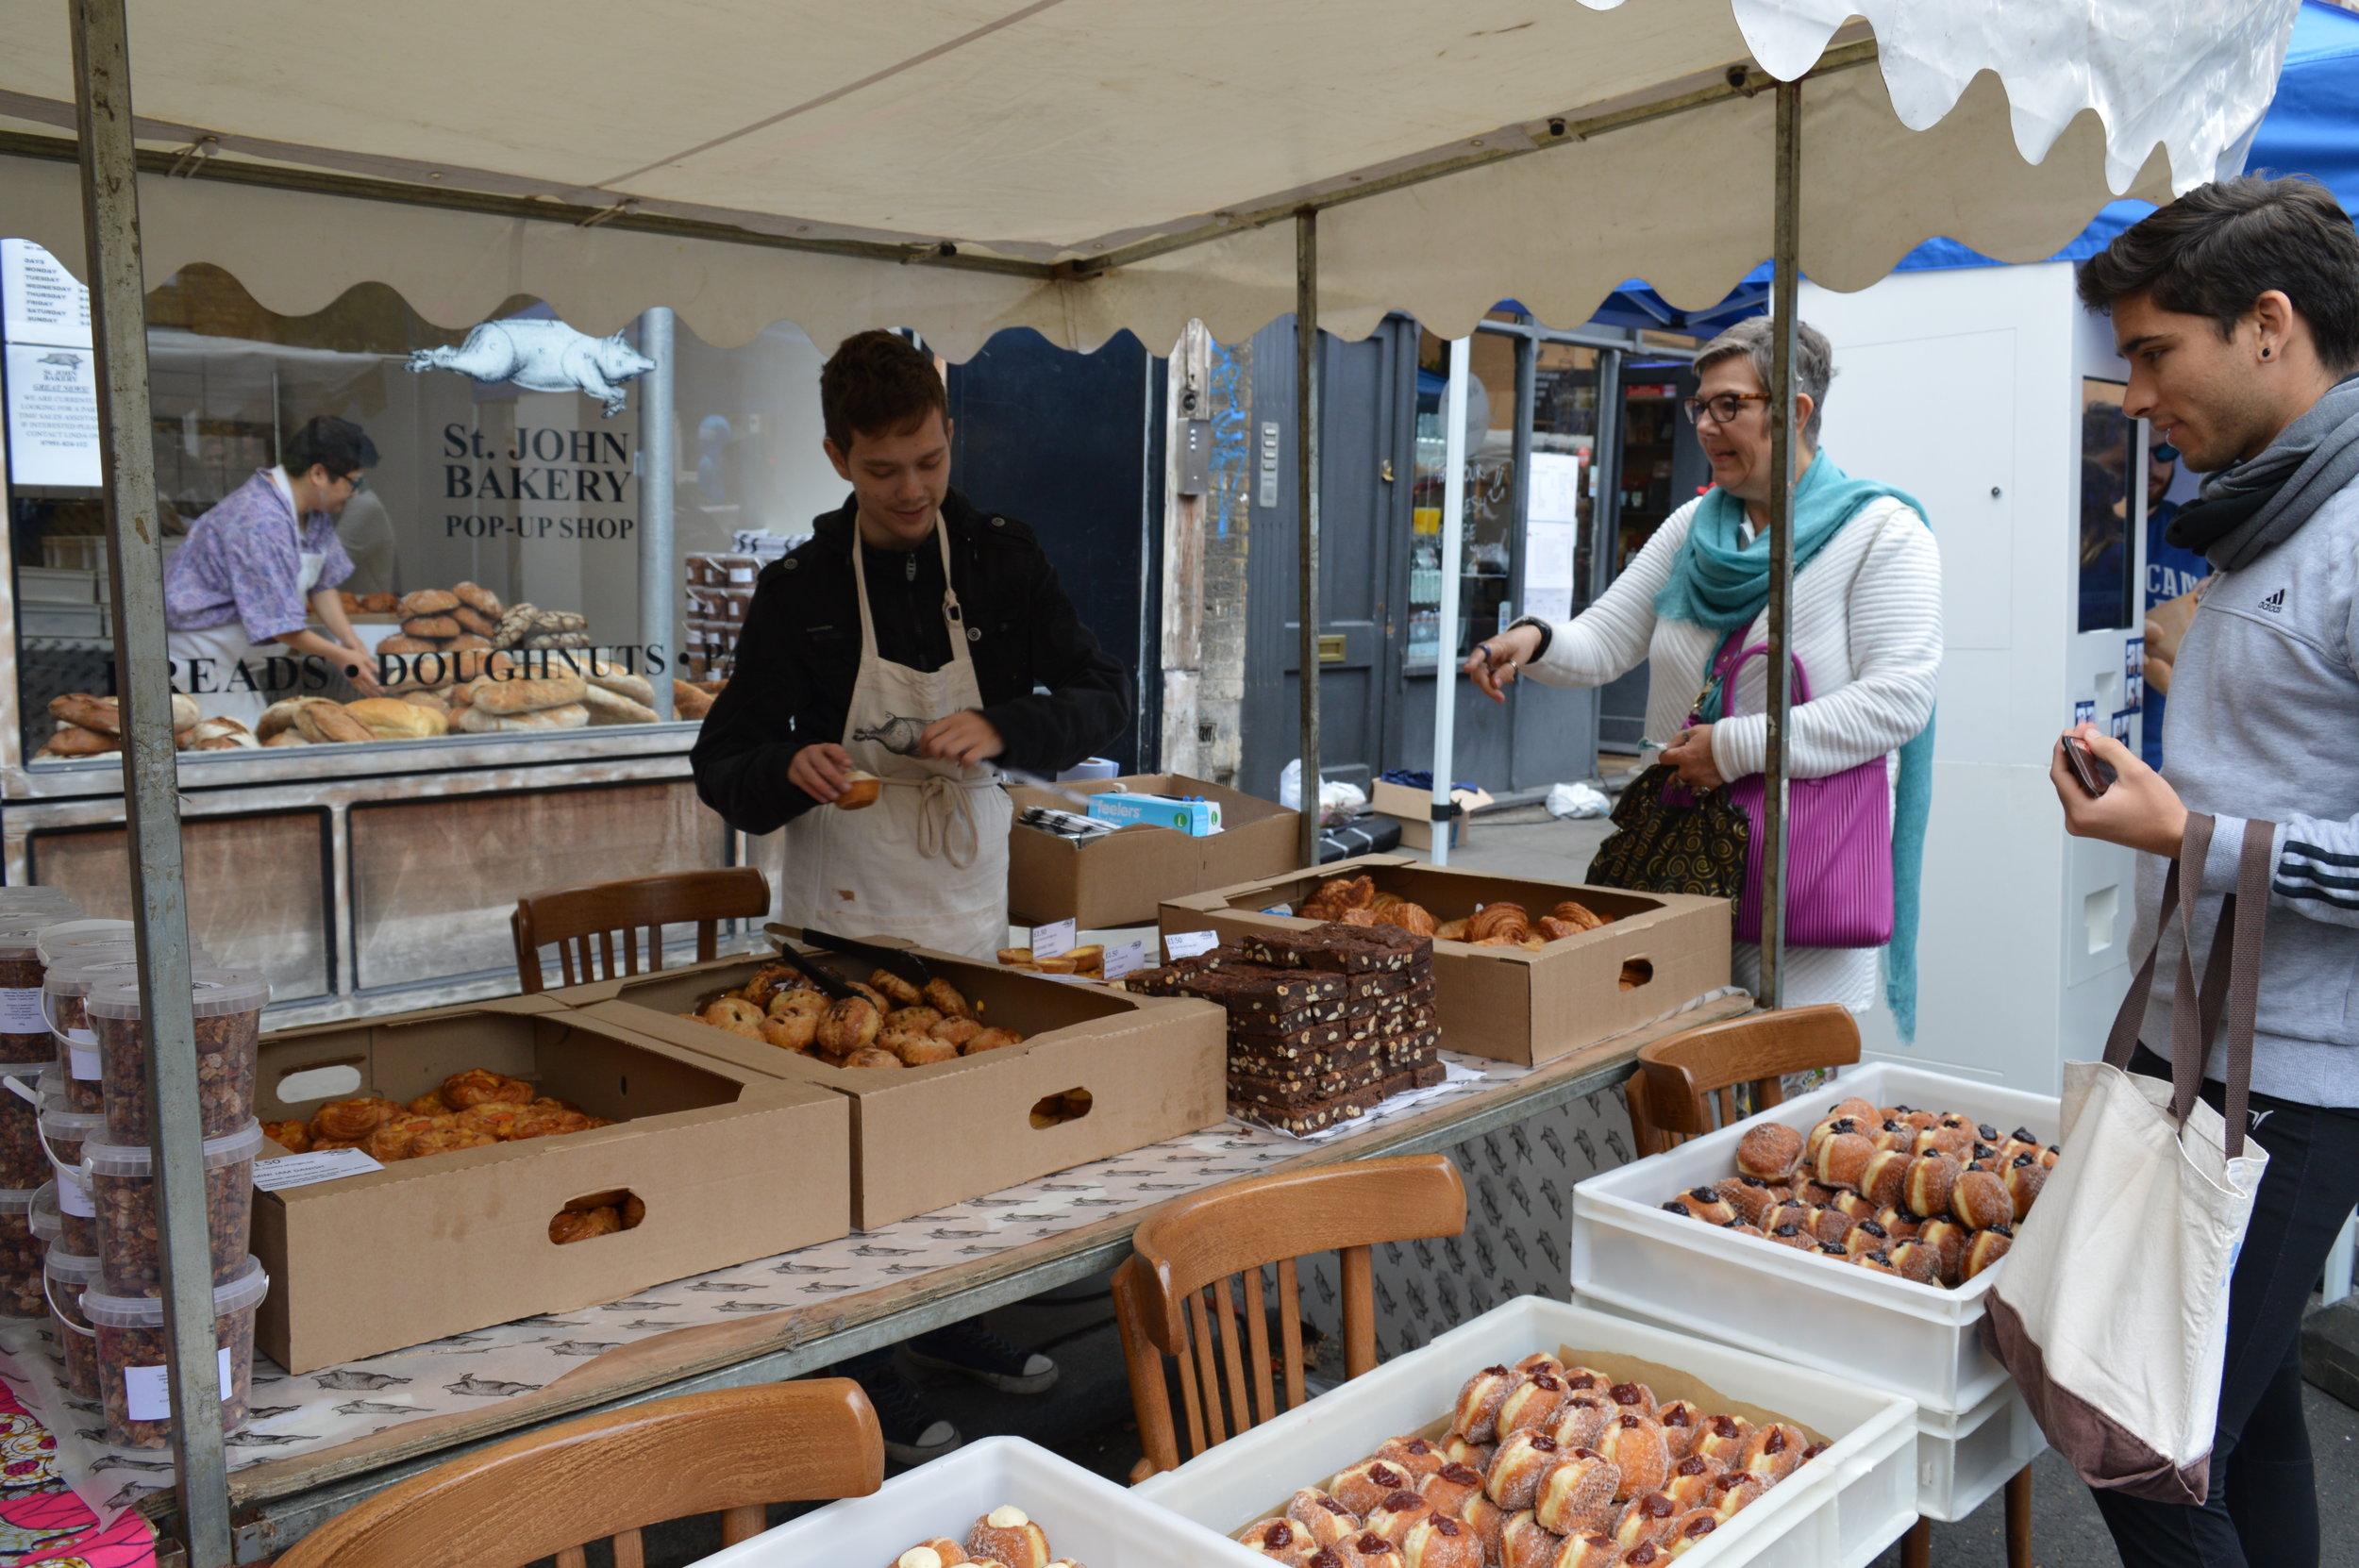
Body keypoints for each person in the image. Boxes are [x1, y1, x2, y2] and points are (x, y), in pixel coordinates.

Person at [692, 327, 1130, 1462]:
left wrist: (1009, 726)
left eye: (928, 462)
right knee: (849, 1171)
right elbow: (720, 758)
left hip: (960, 911)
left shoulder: (999, 557)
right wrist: (786, 768)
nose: (910, 490)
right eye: (883, 470)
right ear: (838, 456)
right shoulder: (795, 590)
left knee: (962, 1147)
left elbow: (1101, 698)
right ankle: (865, 1368)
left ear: (949, 439)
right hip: (834, 922)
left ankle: (958, 1323)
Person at [2058, 173, 2359, 1568]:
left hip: (2300, 1081)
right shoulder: (2277, 512)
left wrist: (2189, 834)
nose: (2133, 396)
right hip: (2220, 1059)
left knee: (2142, 1448)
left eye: (2152, 353)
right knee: (2247, 1424)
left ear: (2269, 325)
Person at [1461, 317, 1941, 1026]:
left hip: (1801, 876)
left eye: (1730, 406)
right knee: (1669, 1079)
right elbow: (1606, 640)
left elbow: (1897, 703)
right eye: (1701, 407)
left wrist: (1732, 748)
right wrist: (1533, 639)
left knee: (1777, 1102)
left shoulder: (1881, 533)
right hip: (1681, 862)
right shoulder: (1695, 527)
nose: (1708, 427)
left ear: (1795, 411)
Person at [163, 415, 385, 724]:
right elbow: (280, 626)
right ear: (318, 474)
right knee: (235, 745)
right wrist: (341, 656)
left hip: (234, 659)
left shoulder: (312, 511)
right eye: (353, 481)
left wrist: (349, 639)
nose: (356, 493)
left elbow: (322, 582)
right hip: (198, 655)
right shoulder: (260, 519)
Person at [2140, 442, 2212, 771]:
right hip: (2096, 730)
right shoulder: (2090, 536)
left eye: (2164, 452)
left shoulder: (2192, 530)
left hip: (2175, 750)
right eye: (2138, 449)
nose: (2152, 465)